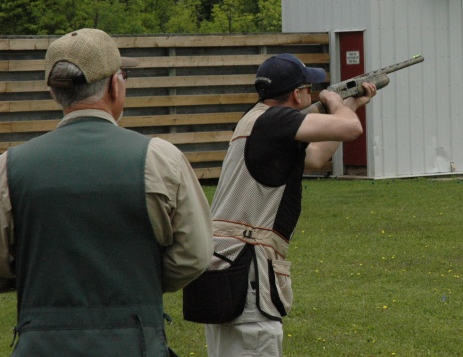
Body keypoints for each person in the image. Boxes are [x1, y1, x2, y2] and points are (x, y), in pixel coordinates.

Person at [0, 28, 213, 356]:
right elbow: (195, 254)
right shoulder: (160, 158)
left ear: (54, 91)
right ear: (116, 84)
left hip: (41, 345)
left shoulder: (9, 166)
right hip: (136, 343)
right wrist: (140, 280)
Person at [196, 53, 376, 357]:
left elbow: (317, 157)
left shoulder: (257, 121)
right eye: (310, 88)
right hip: (246, 269)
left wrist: (351, 106)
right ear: (296, 94)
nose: (313, 93)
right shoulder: (275, 120)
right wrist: (334, 101)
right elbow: (351, 130)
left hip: (228, 269)